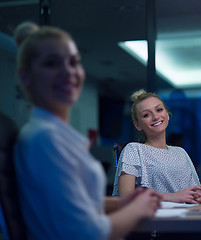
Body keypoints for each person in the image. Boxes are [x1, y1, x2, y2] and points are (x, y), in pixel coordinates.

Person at [13, 22, 162, 240]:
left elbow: (70, 202)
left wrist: (121, 203)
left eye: (73, 62)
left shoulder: (55, 136)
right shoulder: (44, 139)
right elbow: (85, 233)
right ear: (26, 75)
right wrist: (138, 209)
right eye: (52, 63)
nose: (68, 72)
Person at [112, 89, 201, 204]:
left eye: (159, 110)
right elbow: (126, 196)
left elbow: (196, 192)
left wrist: (197, 197)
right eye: (146, 115)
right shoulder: (134, 150)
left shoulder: (180, 152)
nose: (155, 117)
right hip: (155, 218)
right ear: (137, 125)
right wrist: (172, 197)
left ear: (167, 115)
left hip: (188, 215)